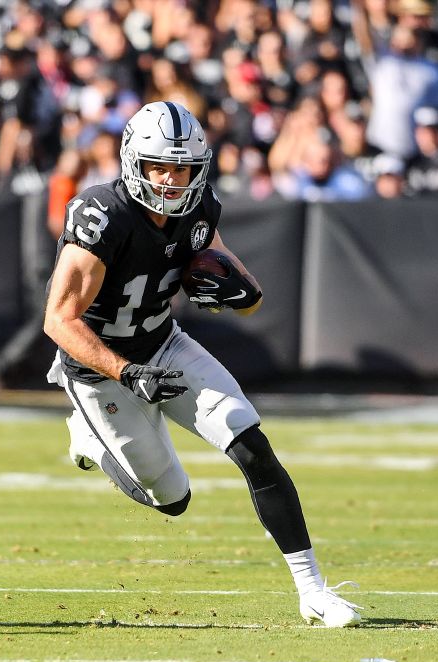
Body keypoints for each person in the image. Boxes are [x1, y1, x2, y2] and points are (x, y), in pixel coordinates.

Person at [42, 101, 361, 627]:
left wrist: (244, 292)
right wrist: (125, 373)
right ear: (132, 163)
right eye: (158, 167)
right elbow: (58, 320)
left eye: (181, 168)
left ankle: (313, 590)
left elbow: (239, 281)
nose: (170, 180)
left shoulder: (199, 210)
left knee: (252, 444)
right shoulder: (102, 217)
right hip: (99, 371)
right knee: (173, 499)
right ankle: (89, 439)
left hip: (164, 343)